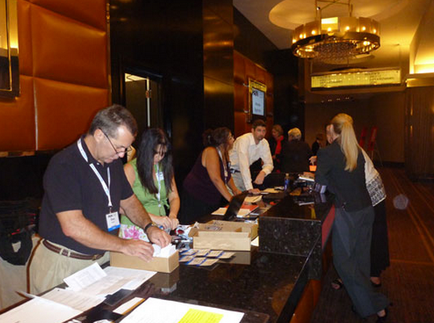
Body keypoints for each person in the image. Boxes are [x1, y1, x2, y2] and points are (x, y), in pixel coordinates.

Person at [29, 105, 171, 294]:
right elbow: (73, 226)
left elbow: (128, 201)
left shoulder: (111, 163)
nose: (122, 155)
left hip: (102, 259)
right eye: (119, 147)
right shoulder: (64, 164)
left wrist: (149, 227)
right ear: (99, 135)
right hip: (66, 263)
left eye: (126, 148)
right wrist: (123, 245)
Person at [315, 113, 389, 321]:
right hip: (366, 210)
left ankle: (373, 305)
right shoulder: (356, 150)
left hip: (348, 214)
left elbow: (319, 187)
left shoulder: (326, 153)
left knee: (343, 262)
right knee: (361, 260)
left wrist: (320, 180)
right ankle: (364, 302)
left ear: (334, 132)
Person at [119, 128, 180, 241]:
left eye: (163, 153)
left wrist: (172, 215)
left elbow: (174, 197)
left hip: (160, 228)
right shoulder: (130, 169)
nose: (159, 158)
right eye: (155, 153)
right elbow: (120, 206)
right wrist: (154, 218)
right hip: (135, 229)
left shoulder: (164, 167)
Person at [180, 127, 242, 224]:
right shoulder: (211, 151)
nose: (233, 139)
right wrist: (231, 200)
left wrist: (235, 190)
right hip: (196, 195)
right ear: (223, 140)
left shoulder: (224, 153)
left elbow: (227, 175)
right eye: (230, 137)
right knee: (195, 225)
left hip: (210, 197)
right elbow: (216, 179)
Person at [229, 119, 273, 193]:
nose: (261, 133)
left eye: (264, 131)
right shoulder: (244, 140)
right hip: (232, 175)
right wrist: (250, 188)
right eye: (259, 130)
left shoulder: (264, 143)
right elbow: (244, 165)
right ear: (252, 130)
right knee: (236, 202)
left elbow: (269, 164)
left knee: (247, 202)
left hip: (244, 175)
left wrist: (263, 172)